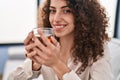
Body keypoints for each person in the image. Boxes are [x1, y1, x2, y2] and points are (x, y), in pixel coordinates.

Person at [8, 0, 113, 80]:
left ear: (83, 15)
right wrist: (35, 65)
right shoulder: (48, 44)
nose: (56, 19)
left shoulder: (98, 49)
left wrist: (56, 63)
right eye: (53, 11)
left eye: (66, 11)